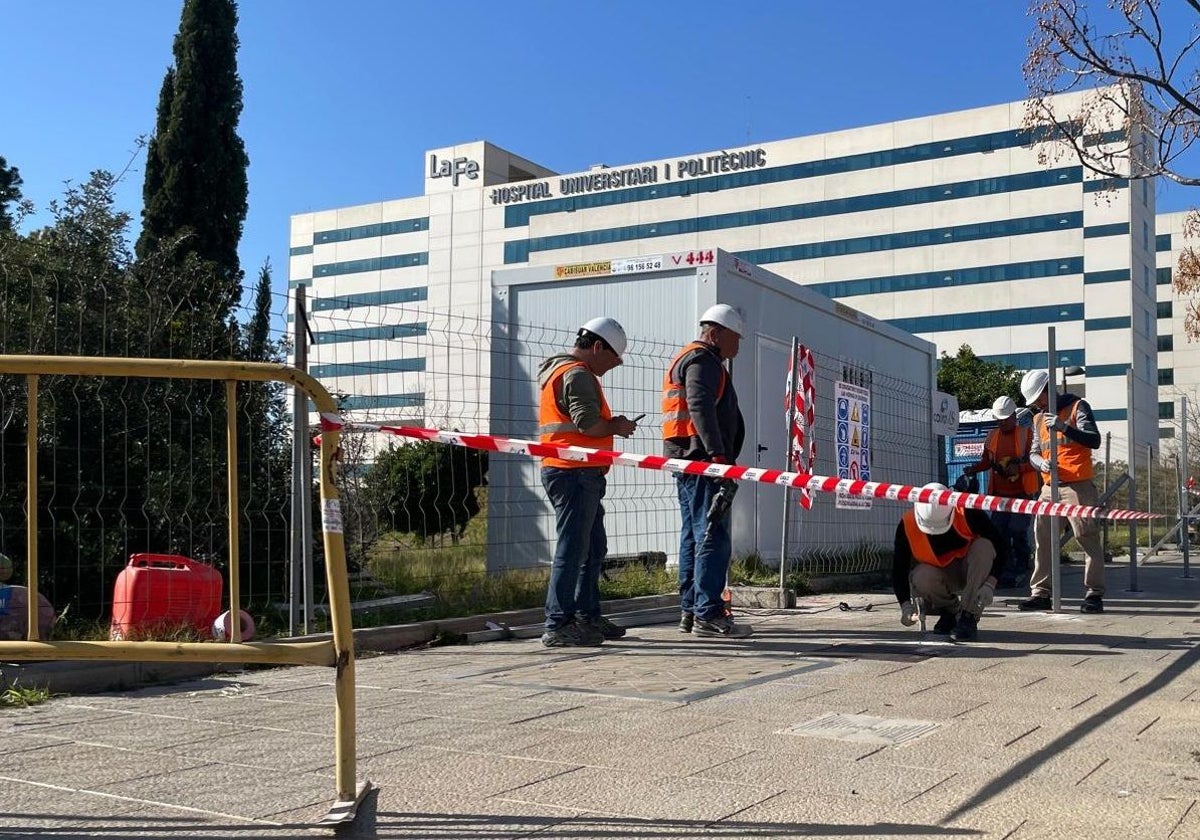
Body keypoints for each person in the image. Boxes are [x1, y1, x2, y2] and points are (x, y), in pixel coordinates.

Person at [537, 317, 639, 647]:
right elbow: (587, 425)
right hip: (573, 472)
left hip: (574, 471)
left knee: (592, 546)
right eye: (614, 357)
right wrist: (617, 426)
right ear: (597, 347)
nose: (615, 365)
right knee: (573, 548)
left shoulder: (561, 372)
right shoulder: (578, 374)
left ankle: (586, 615)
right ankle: (559, 623)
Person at [663, 303, 751, 639]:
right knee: (713, 534)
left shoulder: (692, 358)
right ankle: (709, 614)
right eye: (735, 338)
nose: (738, 346)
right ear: (715, 333)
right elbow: (700, 407)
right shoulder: (703, 361)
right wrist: (718, 455)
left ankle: (691, 609)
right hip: (703, 462)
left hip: (690, 461)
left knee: (694, 535)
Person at [1017, 369, 1106, 613]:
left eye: (1039, 398)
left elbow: (1093, 439)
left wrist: (1064, 427)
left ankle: (1094, 593)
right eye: (1034, 402)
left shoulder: (1078, 407)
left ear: (1049, 389)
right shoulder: (1038, 420)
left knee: (1086, 537)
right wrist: (1039, 463)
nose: (1037, 404)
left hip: (1078, 484)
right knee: (1042, 537)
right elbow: (1034, 452)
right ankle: (1041, 592)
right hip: (1049, 486)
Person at [894, 483, 1006, 642]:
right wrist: (905, 605)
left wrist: (991, 583)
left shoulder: (967, 511)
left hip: (970, 571)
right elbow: (899, 568)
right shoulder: (908, 525)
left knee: (984, 547)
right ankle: (950, 611)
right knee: (921, 576)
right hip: (941, 576)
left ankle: (968, 615)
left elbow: (1001, 546)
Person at [961, 395, 1038, 588]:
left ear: (1014, 416)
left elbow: (1036, 461)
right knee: (998, 533)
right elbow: (987, 462)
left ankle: (1022, 567)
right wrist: (974, 469)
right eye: (999, 419)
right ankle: (1005, 571)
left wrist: (1018, 469)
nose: (1002, 422)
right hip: (1000, 496)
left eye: (1005, 418)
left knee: (1017, 529)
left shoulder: (1026, 434)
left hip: (1022, 494)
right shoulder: (991, 436)